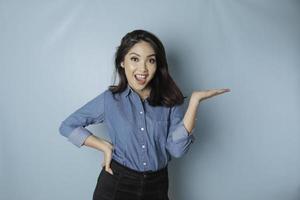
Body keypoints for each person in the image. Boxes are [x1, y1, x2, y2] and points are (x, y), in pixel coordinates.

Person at [59, 29, 230, 200]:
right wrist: (103, 146)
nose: (143, 68)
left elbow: (177, 150)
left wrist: (194, 103)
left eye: (151, 60)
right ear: (122, 62)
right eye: (134, 59)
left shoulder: (170, 101)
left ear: (158, 65)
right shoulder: (110, 100)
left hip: (157, 186)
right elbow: (67, 126)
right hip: (117, 184)